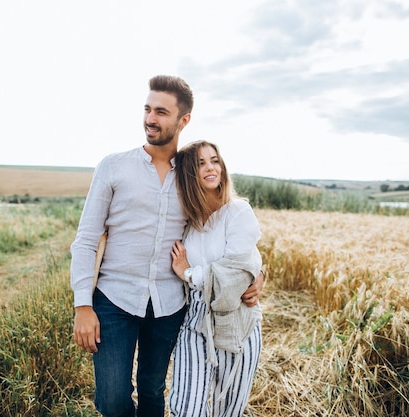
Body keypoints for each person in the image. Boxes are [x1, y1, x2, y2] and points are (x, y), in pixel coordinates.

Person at [70, 76, 263, 417]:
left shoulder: (191, 176)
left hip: (169, 304)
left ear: (183, 120)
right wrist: (82, 306)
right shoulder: (113, 167)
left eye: (161, 111)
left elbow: (225, 226)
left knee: (152, 391)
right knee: (113, 398)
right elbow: (86, 240)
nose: (150, 119)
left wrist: (255, 273)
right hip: (115, 298)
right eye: (147, 109)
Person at [168, 140, 264, 417]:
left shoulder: (238, 212)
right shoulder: (189, 221)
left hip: (237, 324)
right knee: (187, 410)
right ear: (188, 174)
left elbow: (234, 276)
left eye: (214, 160)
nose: (211, 167)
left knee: (227, 411)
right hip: (195, 321)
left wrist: (188, 272)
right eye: (201, 163)